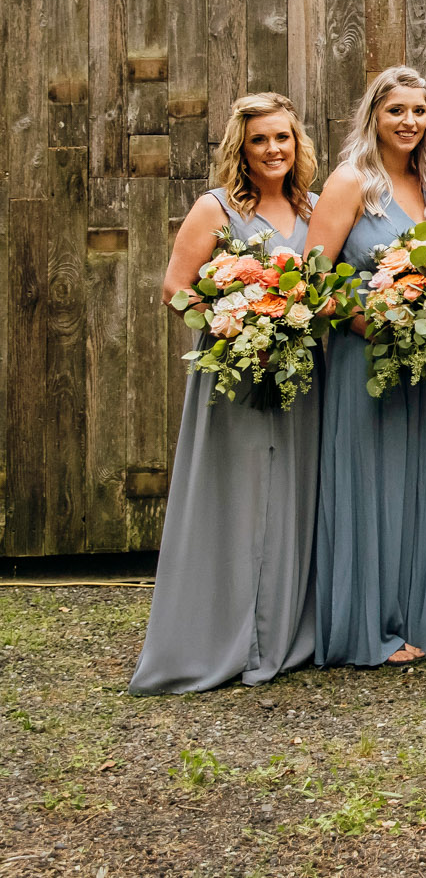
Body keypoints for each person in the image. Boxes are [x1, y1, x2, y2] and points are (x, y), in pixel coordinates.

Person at [131, 94, 322, 695]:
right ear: (240, 147)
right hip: (237, 374)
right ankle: (220, 635)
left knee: (291, 495)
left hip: (299, 376)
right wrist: (239, 323)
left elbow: (326, 290)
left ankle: (282, 631)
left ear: (298, 145)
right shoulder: (215, 208)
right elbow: (175, 290)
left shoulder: (314, 208)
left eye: (283, 139)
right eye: (261, 140)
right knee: (236, 500)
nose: (273, 150)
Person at [307, 67, 426, 670]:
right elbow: (312, 278)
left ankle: (412, 617)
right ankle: (365, 628)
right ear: (374, 116)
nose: (409, 122)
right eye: (397, 110)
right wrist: (375, 321)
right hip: (363, 355)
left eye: (419, 112)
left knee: (417, 482)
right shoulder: (350, 183)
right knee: (369, 484)